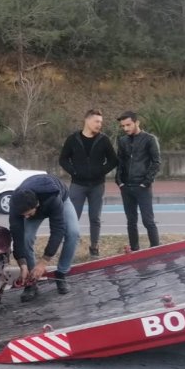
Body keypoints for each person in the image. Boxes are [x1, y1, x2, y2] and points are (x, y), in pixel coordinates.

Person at [8, 174, 81, 301]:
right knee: (26, 237)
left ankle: (61, 274)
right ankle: (31, 281)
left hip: (61, 199)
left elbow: (58, 230)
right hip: (33, 204)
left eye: (29, 214)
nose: (26, 218)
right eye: (23, 215)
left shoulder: (52, 197)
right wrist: (22, 264)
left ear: (36, 205)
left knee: (73, 233)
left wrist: (43, 262)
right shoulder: (16, 204)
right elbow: (16, 234)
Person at [58, 109, 118, 259]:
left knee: (95, 217)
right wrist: (74, 171)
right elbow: (63, 159)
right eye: (97, 121)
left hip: (97, 185)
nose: (99, 125)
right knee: (72, 217)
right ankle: (69, 246)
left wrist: (101, 171)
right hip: (77, 185)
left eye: (101, 122)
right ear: (87, 120)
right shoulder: (73, 139)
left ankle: (94, 247)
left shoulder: (103, 140)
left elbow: (113, 160)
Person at [115, 111, 161, 250]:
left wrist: (146, 182)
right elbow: (120, 162)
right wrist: (119, 181)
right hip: (126, 187)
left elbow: (156, 162)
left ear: (137, 123)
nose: (126, 128)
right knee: (131, 222)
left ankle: (156, 249)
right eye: (123, 126)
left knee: (148, 221)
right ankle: (135, 251)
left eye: (128, 125)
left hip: (142, 187)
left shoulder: (149, 139)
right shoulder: (122, 141)